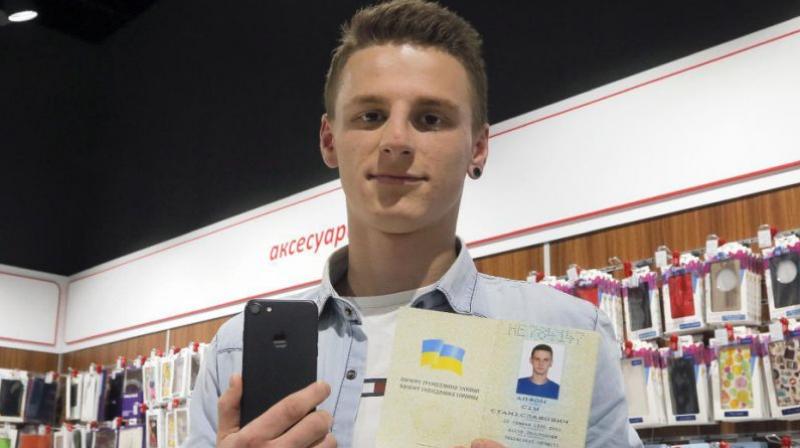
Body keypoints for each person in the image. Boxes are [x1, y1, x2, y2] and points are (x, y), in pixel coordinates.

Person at [186, 1, 643, 447]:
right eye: (371, 116)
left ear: (478, 147)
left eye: (430, 118)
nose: (397, 141)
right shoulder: (237, 351)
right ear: (330, 140)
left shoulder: (568, 334)